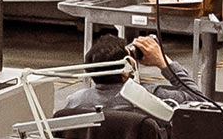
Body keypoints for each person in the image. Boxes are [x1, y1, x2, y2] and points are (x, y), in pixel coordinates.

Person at [63, 33, 207, 113]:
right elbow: (199, 101)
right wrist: (163, 61)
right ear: (126, 71)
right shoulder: (151, 97)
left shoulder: (75, 102)